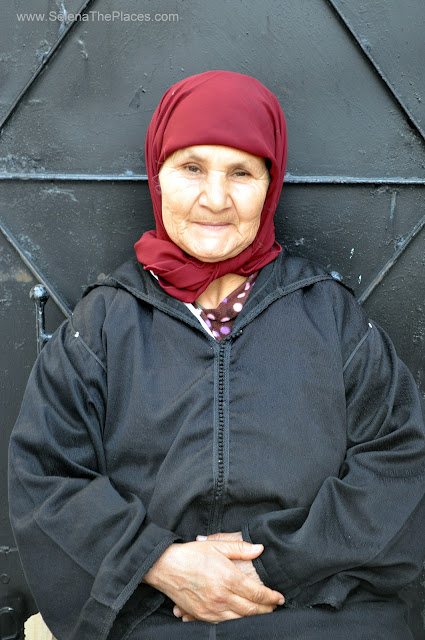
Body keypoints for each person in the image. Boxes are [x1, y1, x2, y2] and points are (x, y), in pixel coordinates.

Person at [8, 70, 425, 640]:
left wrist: (266, 567)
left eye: (241, 172)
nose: (215, 198)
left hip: (320, 615)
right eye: (192, 168)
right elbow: (46, 477)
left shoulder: (330, 316)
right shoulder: (102, 323)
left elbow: (401, 463)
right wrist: (160, 562)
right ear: (158, 176)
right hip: (154, 617)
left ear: (270, 185)